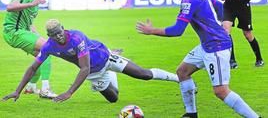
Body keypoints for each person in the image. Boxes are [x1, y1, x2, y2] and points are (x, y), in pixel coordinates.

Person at [136, 0, 261, 118]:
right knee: (182, 71)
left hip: (216, 47)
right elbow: (218, 6)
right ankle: (191, 113)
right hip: (207, 46)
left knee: (221, 91)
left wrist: (151, 30)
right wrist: (222, 24)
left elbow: (177, 31)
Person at [2, 19, 179, 103]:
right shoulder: (49, 46)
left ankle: (179, 78)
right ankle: (110, 74)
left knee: (144, 75)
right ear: (49, 37)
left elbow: (84, 68)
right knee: (114, 99)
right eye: (54, 34)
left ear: (63, 28)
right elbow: (33, 68)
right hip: (94, 73)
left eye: (60, 31)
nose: (59, 36)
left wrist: (69, 92)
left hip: (105, 56)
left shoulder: (76, 37)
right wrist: (18, 90)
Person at [2, 0, 57, 99]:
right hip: (13, 32)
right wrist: (32, 3)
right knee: (46, 49)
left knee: (42, 56)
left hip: (21, 31)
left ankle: (31, 87)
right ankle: (45, 90)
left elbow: (28, 22)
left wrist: (37, 35)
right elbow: (10, 7)